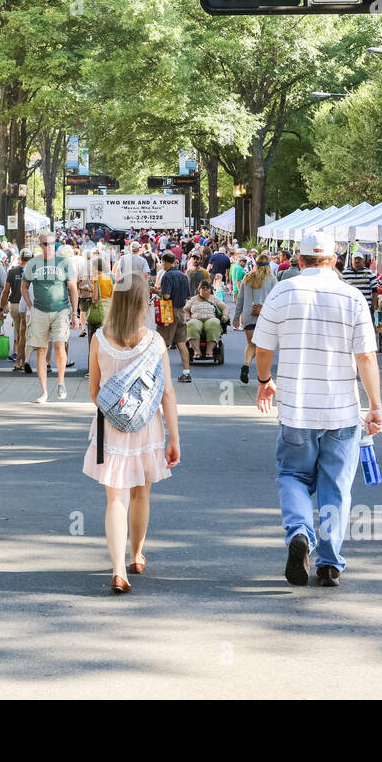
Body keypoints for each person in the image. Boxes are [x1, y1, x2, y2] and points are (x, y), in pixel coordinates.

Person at [254, 232, 382, 589]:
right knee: (336, 487)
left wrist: (265, 380)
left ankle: (299, 532)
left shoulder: (282, 291)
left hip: (296, 408)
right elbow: (366, 357)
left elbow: (262, 346)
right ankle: (328, 563)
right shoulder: (353, 297)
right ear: (335, 260)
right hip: (341, 410)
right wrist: (375, 405)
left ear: (299, 261)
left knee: (293, 476)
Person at [82, 273, 181, 593]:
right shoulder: (155, 341)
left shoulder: (99, 339)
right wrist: (174, 437)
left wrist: (115, 409)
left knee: (116, 499)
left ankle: (118, 569)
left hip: (109, 427)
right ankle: (137, 554)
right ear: (142, 303)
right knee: (141, 493)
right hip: (147, 426)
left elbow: (94, 390)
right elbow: (167, 393)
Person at [24, 233, 80, 403]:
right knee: (41, 350)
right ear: (40, 245)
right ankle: (43, 391)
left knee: (59, 345)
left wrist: (75, 313)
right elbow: (23, 287)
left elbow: (73, 288)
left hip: (61, 309)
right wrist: (31, 307)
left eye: (52, 244)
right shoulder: (33, 263)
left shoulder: (63, 262)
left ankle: (61, 382)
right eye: (46, 244)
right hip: (39, 311)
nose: (49, 246)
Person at [234, 252, 278, 384]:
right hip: (266, 316)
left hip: (248, 316)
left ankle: (246, 364)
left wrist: (236, 317)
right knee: (262, 346)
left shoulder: (247, 278)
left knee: (251, 344)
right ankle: (262, 375)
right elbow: (276, 300)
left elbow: (240, 300)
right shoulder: (272, 279)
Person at [157, 252, 193, 383]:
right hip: (182, 311)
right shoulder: (184, 276)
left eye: (162, 262)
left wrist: (155, 291)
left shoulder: (167, 276)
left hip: (169, 311)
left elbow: (166, 296)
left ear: (166, 262)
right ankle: (186, 372)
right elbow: (188, 296)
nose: (162, 265)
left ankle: (160, 373)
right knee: (181, 343)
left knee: (161, 342)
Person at [3, 248, 31, 373]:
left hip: (15, 304)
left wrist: (2, 306)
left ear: (20, 257)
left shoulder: (12, 271)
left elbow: (5, 290)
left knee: (20, 333)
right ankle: (22, 359)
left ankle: (19, 359)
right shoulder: (33, 271)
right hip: (28, 305)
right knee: (25, 335)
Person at [184, 281, 227, 360]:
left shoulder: (214, 299)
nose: (205, 289)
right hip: (196, 318)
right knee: (191, 324)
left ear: (210, 289)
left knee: (214, 323)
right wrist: (187, 316)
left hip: (210, 318)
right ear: (199, 289)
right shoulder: (193, 299)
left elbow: (224, 307)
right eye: (203, 288)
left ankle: (209, 350)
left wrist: (224, 315)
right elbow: (186, 309)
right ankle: (197, 351)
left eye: (207, 287)